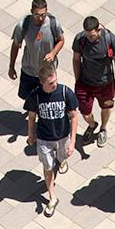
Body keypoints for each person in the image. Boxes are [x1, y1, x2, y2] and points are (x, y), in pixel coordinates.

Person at [25, 62, 79, 218]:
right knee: (48, 167)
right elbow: (32, 117)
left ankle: (61, 161)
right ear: (42, 83)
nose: (54, 84)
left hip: (63, 137)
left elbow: (74, 116)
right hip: (44, 139)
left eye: (55, 80)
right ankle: (52, 197)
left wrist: (73, 141)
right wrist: (31, 134)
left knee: (62, 157)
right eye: (50, 83)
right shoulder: (36, 96)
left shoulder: (65, 92)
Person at [72, 16, 115, 147]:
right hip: (85, 83)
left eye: (92, 36)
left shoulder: (109, 39)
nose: (89, 38)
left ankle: (103, 128)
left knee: (106, 107)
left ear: (98, 29)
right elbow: (76, 59)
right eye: (87, 35)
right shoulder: (80, 39)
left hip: (105, 83)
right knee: (85, 112)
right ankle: (92, 125)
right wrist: (77, 80)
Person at [9, 0, 64, 104]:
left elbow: (61, 40)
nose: (40, 18)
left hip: (48, 71)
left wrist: (53, 53)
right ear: (31, 12)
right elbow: (15, 46)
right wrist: (11, 67)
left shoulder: (53, 23)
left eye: (43, 14)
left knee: (47, 98)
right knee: (27, 97)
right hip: (29, 70)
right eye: (37, 14)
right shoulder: (22, 26)